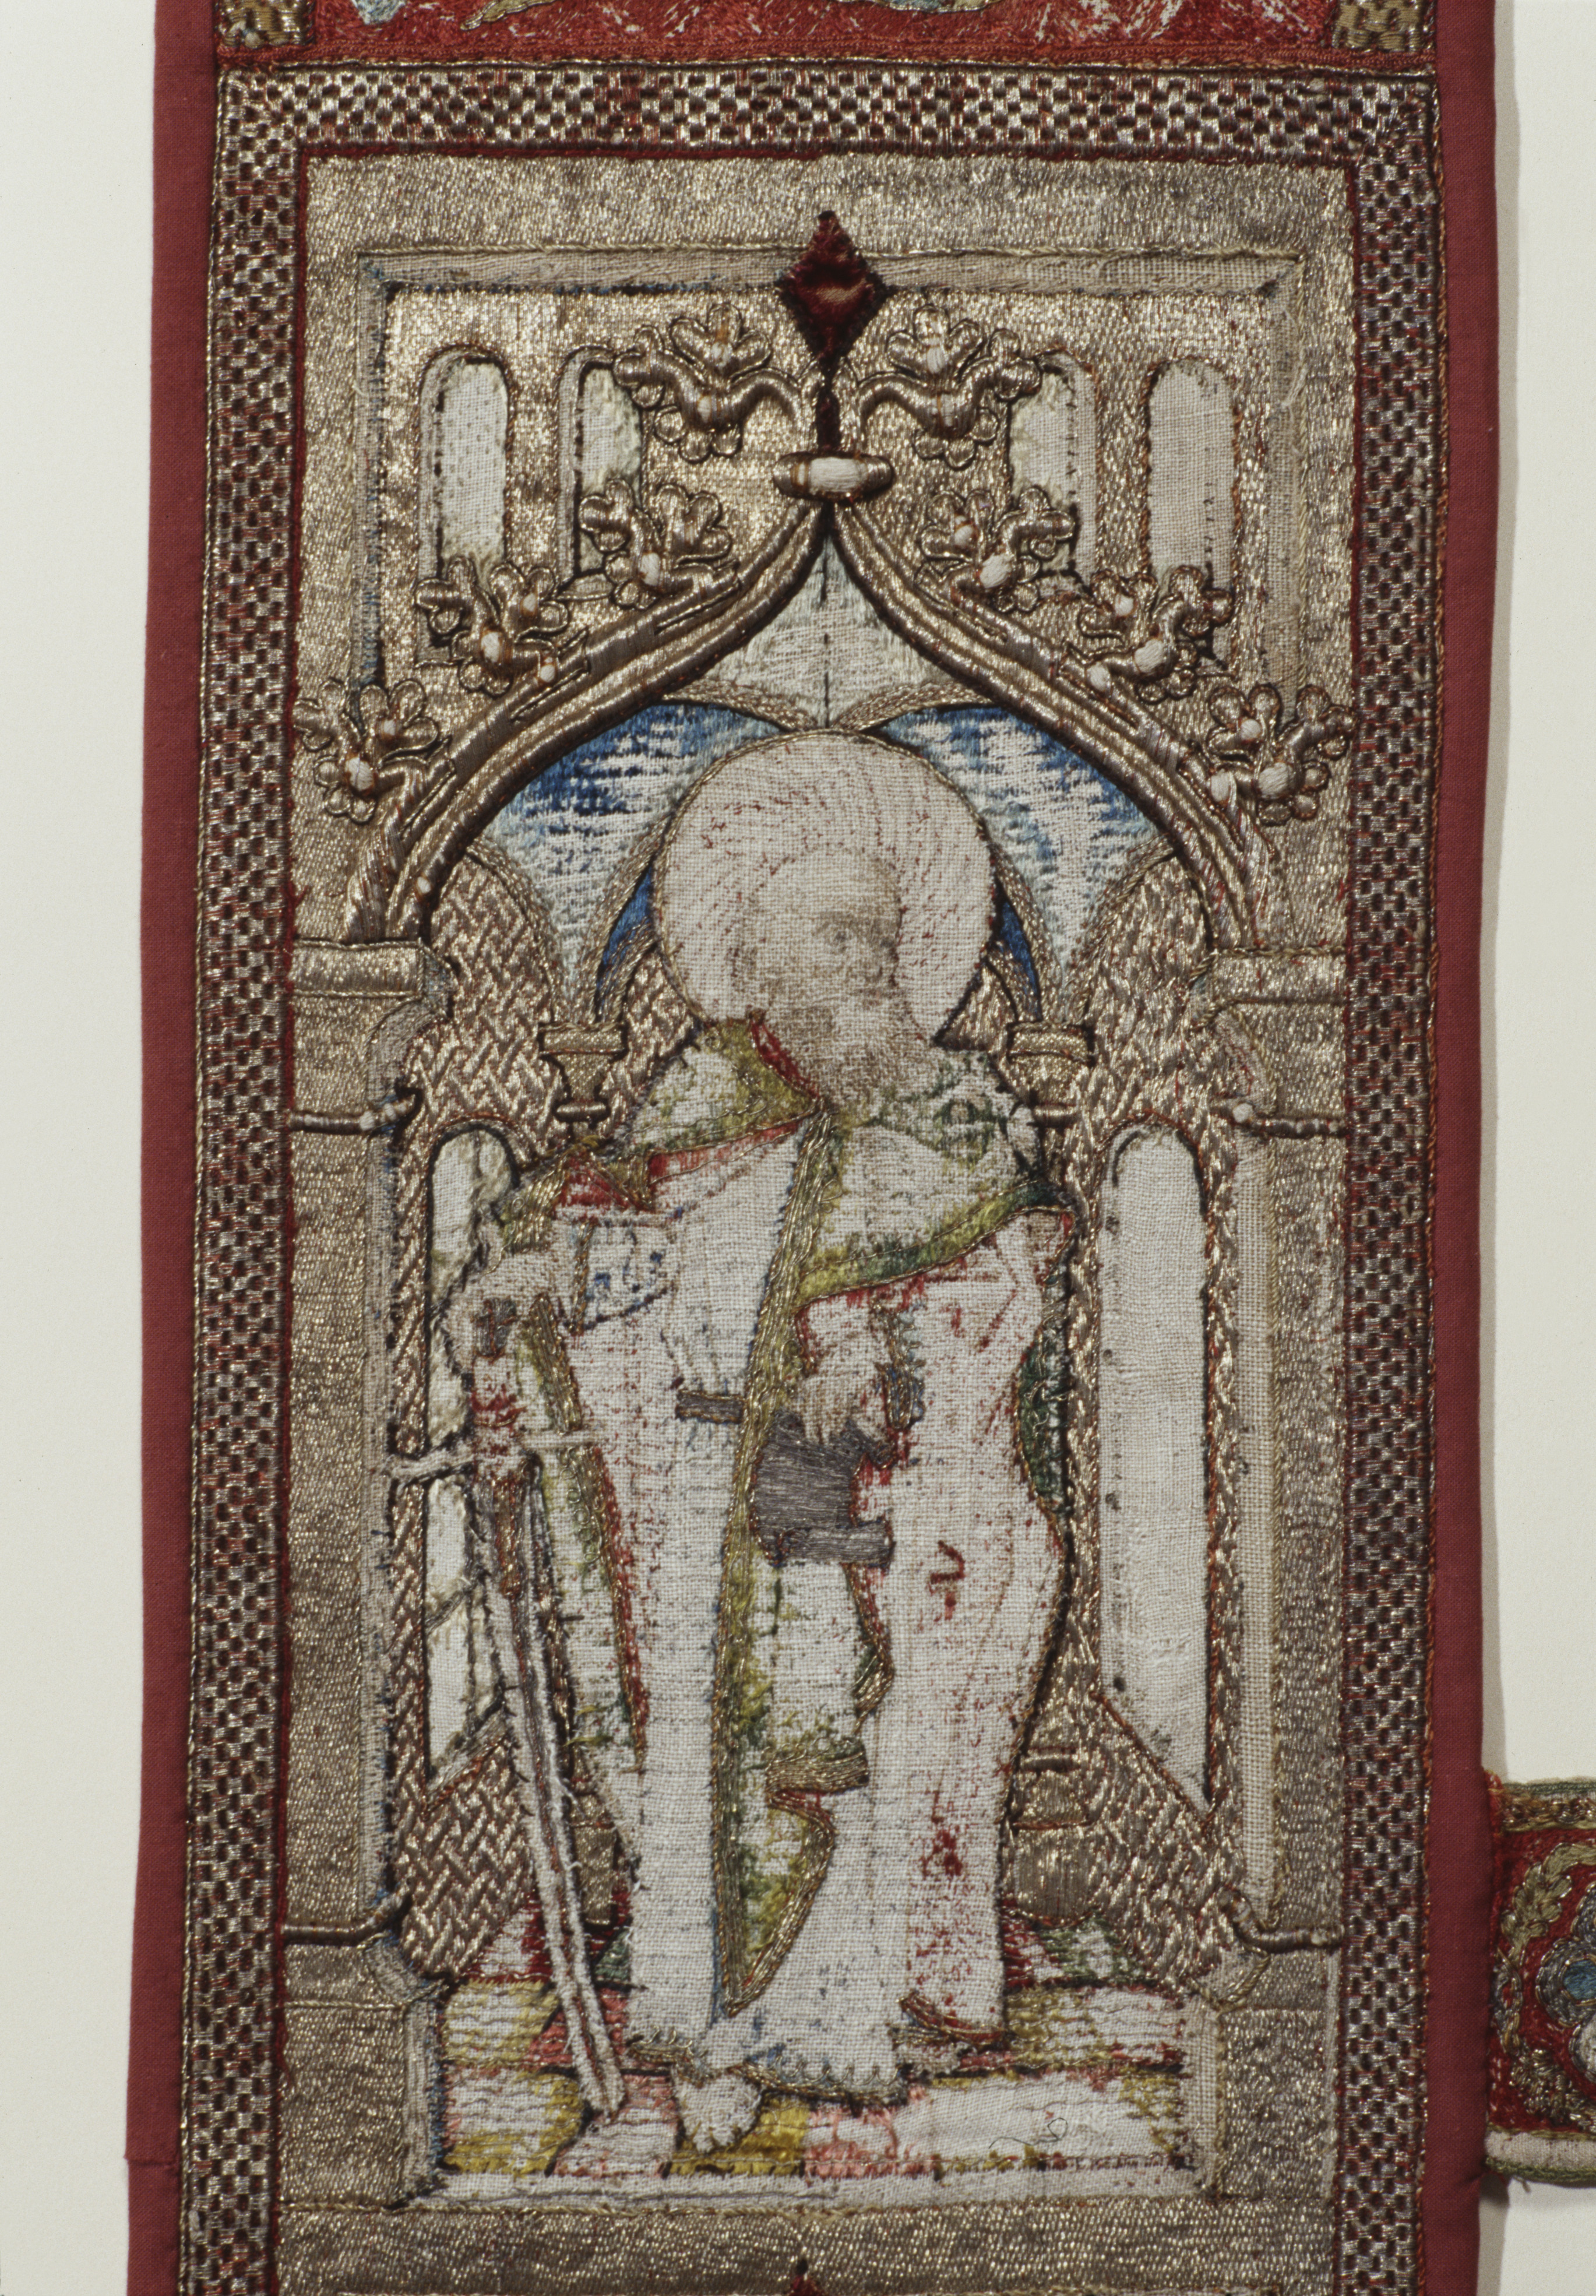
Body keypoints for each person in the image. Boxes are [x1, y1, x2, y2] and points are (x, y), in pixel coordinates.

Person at [445, 731, 1069, 2154]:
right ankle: (705, 2032)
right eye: (826, 938)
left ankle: (832, 2023)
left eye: (876, 941)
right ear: (757, 956)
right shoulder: (701, 1103)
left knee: (840, 1757)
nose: (859, 969)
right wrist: (527, 1278)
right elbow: (622, 1247)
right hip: (696, 1484)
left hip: (856, 1505)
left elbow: (1003, 1288)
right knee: (693, 1752)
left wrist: (879, 1336)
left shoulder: (949, 1116)